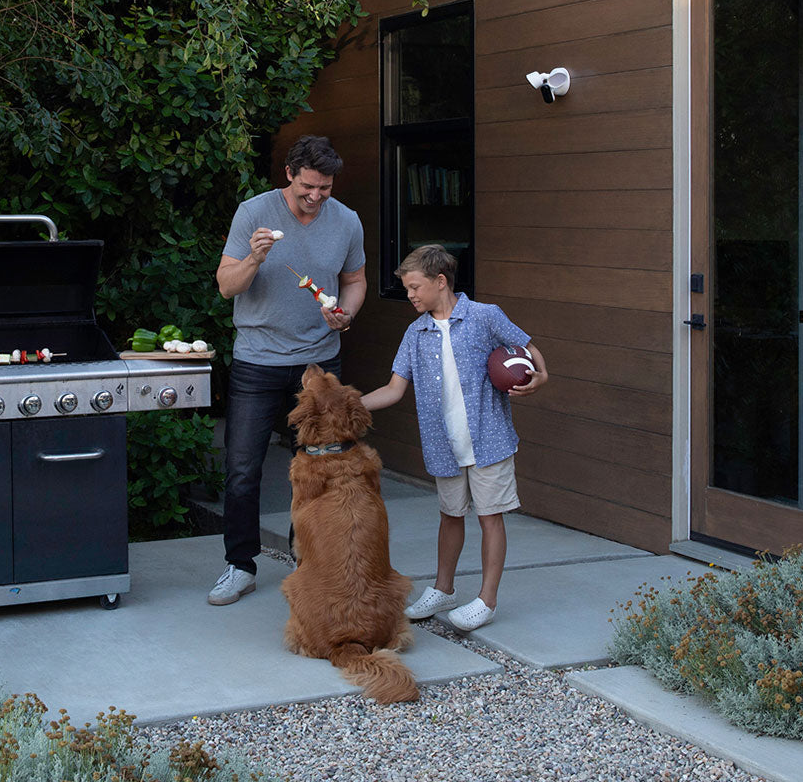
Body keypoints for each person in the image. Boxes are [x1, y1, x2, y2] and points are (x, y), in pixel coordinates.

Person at [208, 134, 366, 605]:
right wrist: (255, 257)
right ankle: (240, 565)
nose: (316, 196)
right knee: (242, 468)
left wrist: (346, 314)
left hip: (319, 363)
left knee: (322, 468)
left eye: (325, 188)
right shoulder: (253, 213)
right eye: (307, 187)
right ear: (289, 175)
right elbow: (226, 286)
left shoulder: (347, 221)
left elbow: (355, 280)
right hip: (257, 360)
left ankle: (310, 563)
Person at [360, 243, 548, 631]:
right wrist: (349, 405)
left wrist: (541, 376)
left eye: (415, 287)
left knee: (490, 517)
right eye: (407, 288)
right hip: (444, 445)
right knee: (450, 516)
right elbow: (394, 389)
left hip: (489, 440)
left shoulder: (484, 316)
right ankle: (444, 589)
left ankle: (486, 601)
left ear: (440, 282)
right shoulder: (415, 333)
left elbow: (527, 347)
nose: (410, 295)